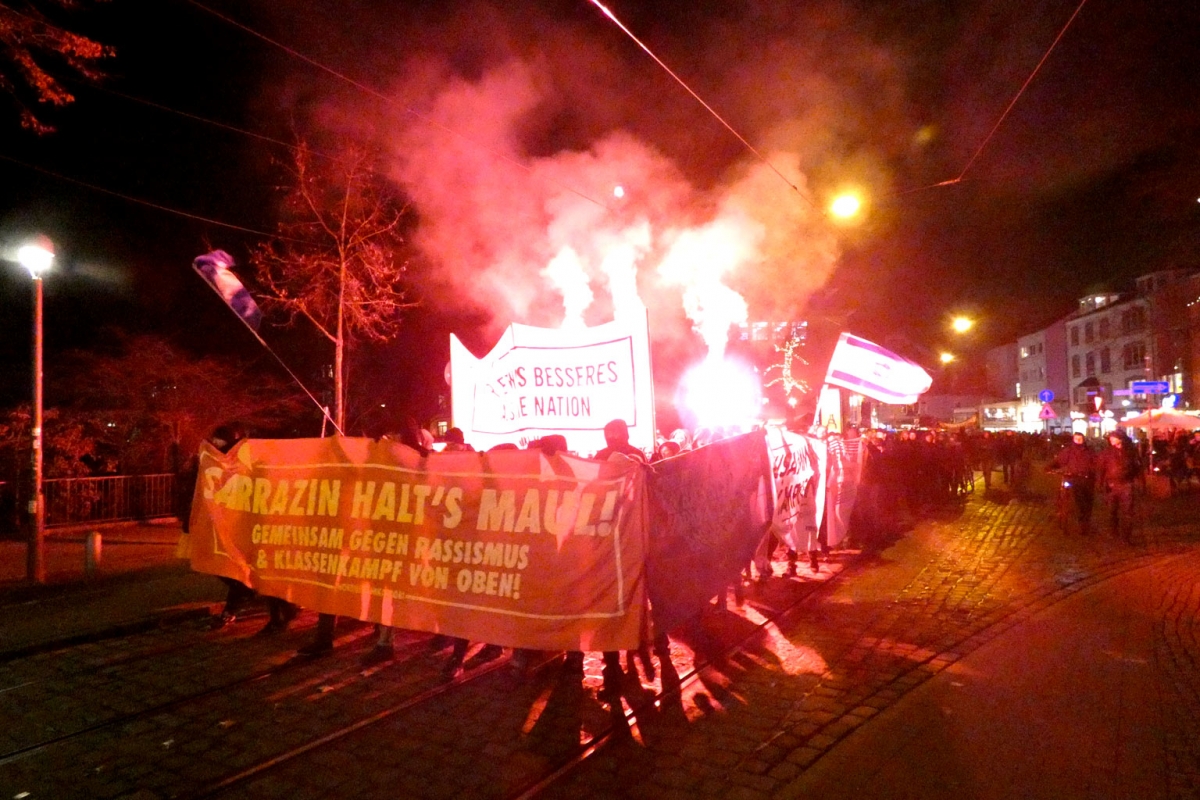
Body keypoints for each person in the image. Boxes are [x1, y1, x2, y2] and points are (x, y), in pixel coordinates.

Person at [1097, 431, 1141, 542]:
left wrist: (1139, 481)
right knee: (1112, 511)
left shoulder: (1130, 452)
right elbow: (1101, 469)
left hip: (1126, 485)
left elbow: (1137, 467)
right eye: (1110, 438)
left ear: (1120, 439)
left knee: (1127, 512)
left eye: (1113, 438)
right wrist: (1100, 483)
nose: (1111, 439)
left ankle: (1126, 536)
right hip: (1111, 485)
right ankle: (1113, 532)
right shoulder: (1107, 453)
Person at [1050, 432, 1096, 534]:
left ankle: (1085, 522)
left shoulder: (1089, 452)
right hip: (1072, 478)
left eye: (1080, 439)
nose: (1078, 441)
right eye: (1076, 439)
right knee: (1071, 497)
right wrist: (1050, 467)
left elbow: (1095, 463)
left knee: (1086, 502)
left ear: (1083, 440)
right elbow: (1058, 461)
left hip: (1086, 479)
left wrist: (1092, 471)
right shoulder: (1068, 451)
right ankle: (1071, 517)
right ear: (1073, 439)